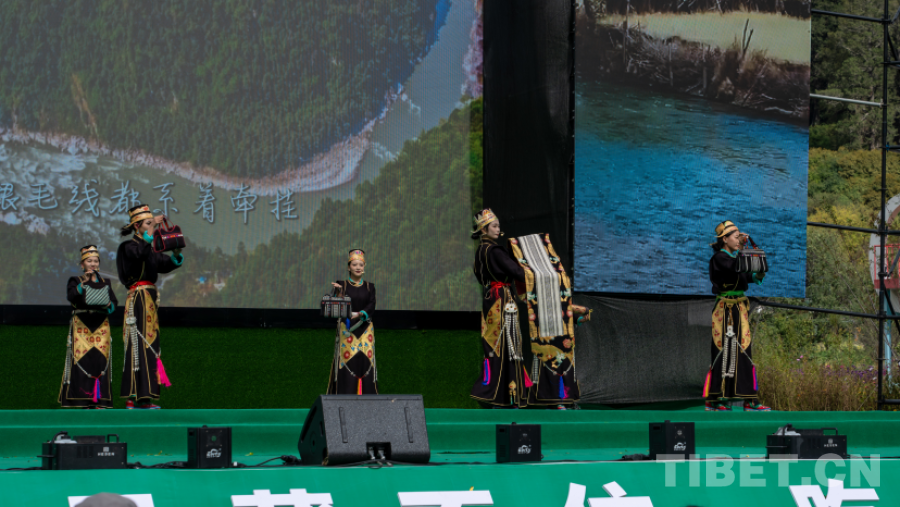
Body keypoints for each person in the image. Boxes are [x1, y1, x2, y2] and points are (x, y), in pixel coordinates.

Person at [116, 204, 184, 409]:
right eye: (148, 223)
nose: (152, 226)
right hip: (138, 298)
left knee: (151, 345)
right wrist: (153, 227)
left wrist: (176, 253)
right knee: (139, 344)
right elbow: (139, 254)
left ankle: (144, 397)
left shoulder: (149, 250)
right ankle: (135, 397)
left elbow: (165, 263)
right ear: (137, 226)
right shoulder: (128, 247)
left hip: (149, 300)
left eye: (151, 223)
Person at [704, 220, 771, 412]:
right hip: (724, 309)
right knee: (722, 350)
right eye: (735, 237)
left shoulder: (735, 259)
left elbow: (748, 276)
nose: (739, 240)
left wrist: (759, 273)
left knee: (744, 351)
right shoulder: (719, 258)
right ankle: (716, 399)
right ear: (725, 239)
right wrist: (746, 250)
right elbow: (736, 266)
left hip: (739, 309)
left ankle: (749, 400)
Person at [471, 209, 530, 408]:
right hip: (503, 299)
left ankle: (493, 393)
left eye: (498, 226)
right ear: (484, 230)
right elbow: (517, 273)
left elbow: (479, 276)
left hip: (490, 299)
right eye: (494, 226)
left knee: (493, 345)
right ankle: (507, 396)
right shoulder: (495, 251)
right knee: (509, 344)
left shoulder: (480, 252)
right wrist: (533, 271)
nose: (498, 229)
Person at [59, 245, 118, 409]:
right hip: (82, 324)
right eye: (89, 261)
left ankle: (99, 400)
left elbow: (114, 303)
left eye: (95, 261)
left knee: (100, 361)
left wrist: (108, 304)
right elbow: (71, 296)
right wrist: (83, 284)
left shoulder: (105, 282)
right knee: (83, 360)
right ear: (82, 264)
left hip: (101, 325)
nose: (93, 264)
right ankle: (81, 400)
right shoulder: (75, 281)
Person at [327, 249, 377, 395]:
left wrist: (361, 313)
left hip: (365, 329)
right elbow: (337, 305)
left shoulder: (370, 286)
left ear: (364, 267)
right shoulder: (341, 284)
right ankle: (345, 399)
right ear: (349, 267)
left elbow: (372, 304)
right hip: (347, 329)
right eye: (354, 265)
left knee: (366, 363)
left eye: (360, 265)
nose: (358, 267)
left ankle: (367, 400)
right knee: (348, 362)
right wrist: (338, 292)